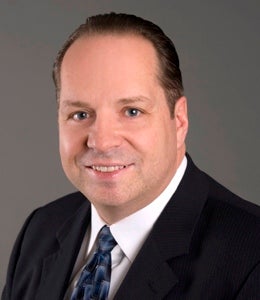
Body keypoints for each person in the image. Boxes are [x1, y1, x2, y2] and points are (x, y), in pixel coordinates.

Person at [2, 12, 260, 300]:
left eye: (132, 111)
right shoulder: (40, 230)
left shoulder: (251, 258)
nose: (101, 141)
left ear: (179, 120)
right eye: (80, 114)